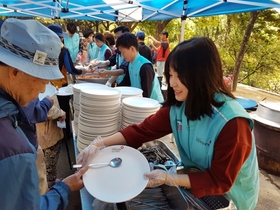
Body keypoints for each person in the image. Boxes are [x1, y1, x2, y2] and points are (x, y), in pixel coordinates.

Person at [77, 37, 259, 210]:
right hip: (197, 180)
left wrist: (169, 178)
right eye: (170, 75)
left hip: (232, 197)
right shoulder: (180, 107)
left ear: (201, 76)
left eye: (179, 76)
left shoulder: (233, 125)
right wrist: (99, 143)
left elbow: (219, 181)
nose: (171, 83)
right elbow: (141, 131)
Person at [0, 18, 88, 209]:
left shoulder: (10, 110)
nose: (42, 90)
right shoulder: (13, 150)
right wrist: (63, 189)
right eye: (41, 80)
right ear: (15, 72)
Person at [48, 24, 88, 138]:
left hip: (46, 86)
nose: (61, 39)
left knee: (50, 110)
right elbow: (70, 69)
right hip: (61, 86)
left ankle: (56, 135)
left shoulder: (41, 48)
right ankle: (65, 134)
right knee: (63, 109)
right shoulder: (63, 50)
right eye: (60, 37)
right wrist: (81, 72)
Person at [99, 33, 164, 102]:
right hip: (139, 102)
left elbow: (146, 94)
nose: (122, 55)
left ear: (132, 49)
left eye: (123, 52)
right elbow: (126, 82)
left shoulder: (145, 66)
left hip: (152, 105)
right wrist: (112, 92)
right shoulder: (130, 63)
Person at [36, 95, 66, 188]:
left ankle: (51, 180)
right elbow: (41, 109)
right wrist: (60, 113)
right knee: (48, 162)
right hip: (45, 135)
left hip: (47, 133)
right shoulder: (33, 84)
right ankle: (50, 186)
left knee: (48, 163)